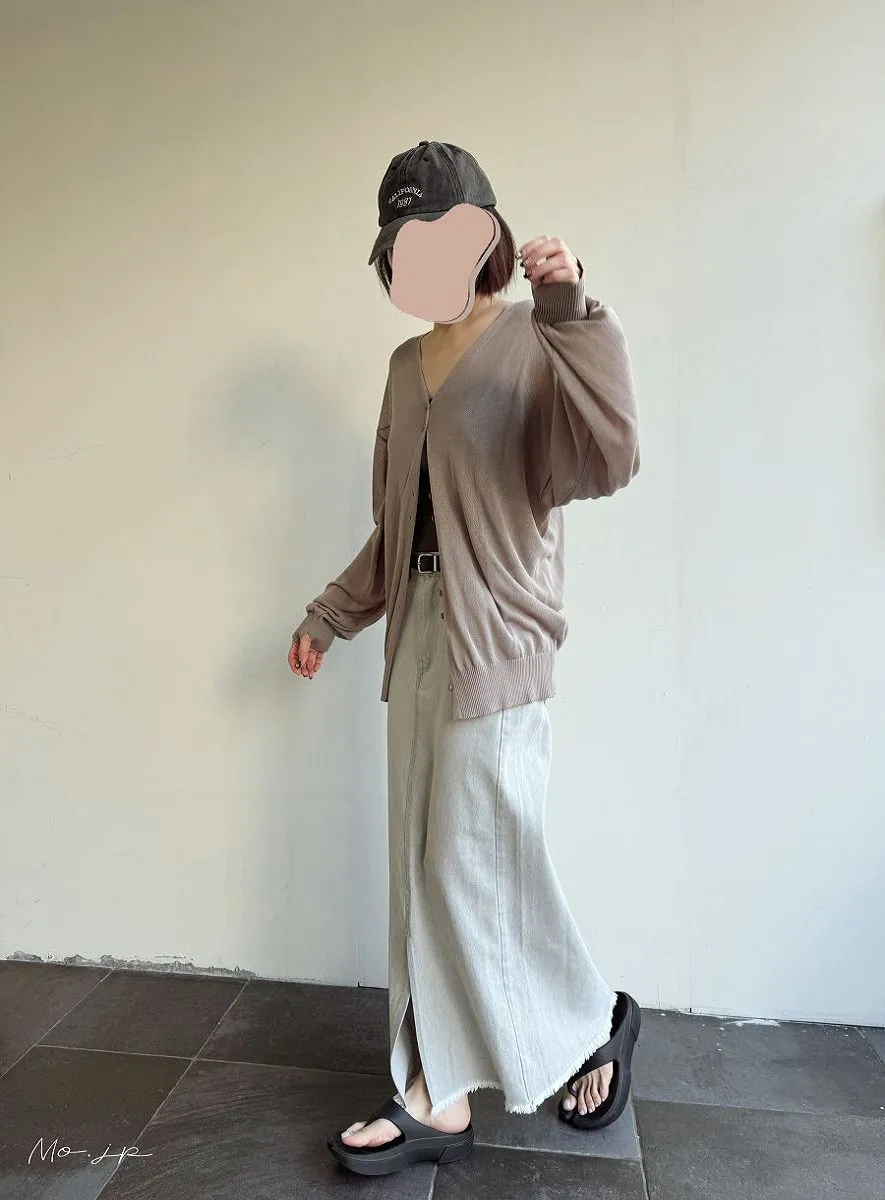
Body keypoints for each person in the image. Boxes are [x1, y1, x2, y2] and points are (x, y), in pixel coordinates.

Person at [289, 141, 642, 1177]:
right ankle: (434, 1094)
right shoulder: (404, 371)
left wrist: (571, 310)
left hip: (500, 638)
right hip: (418, 628)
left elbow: (612, 455)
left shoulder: (538, 337)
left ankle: (590, 1021)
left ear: (484, 237)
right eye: (404, 249)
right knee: (419, 865)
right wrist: (331, 614)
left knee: (477, 857)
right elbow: (396, 525)